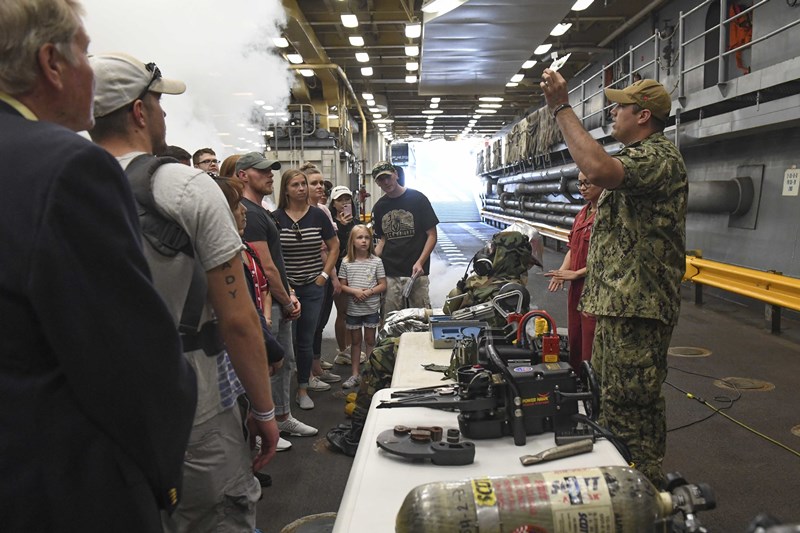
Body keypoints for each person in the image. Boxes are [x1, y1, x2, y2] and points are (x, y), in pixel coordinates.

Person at [0, 1, 196, 529]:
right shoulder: (67, 166)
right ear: (51, 63)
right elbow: (131, 358)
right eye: (85, 53)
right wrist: (163, 479)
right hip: (60, 486)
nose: (92, 69)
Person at [89, 53, 279, 532]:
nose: (164, 114)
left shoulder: (68, 180)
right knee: (216, 514)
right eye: (158, 102)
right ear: (138, 112)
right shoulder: (188, 188)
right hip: (192, 399)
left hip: (97, 400)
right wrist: (263, 409)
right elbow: (237, 319)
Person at [541, 71, 687, 487]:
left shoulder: (658, 156)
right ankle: (621, 488)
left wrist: (561, 108)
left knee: (629, 408)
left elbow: (597, 167)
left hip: (637, 311)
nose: (613, 112)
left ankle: (642, 491)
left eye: (620, 106)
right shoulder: (638, 159)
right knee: (606, 402)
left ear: (643, 116)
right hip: (617, 308)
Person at [234, 153, 318, 439]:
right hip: (271, 304)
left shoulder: (259, 210)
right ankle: (269, 422)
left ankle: (281, 416)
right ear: (243, 175)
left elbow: (275, 266)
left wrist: (289, 292)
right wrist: (286, 300)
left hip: (280, 299)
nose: (269, 175)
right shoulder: (252, 213)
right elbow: (266, 267)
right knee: (273, 366)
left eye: (271, 171)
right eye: (262, 171)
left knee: (285, 364)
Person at [273, 169, 339, 410]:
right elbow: (272, 256)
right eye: (296, 185)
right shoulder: (276, 218)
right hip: (284, 288)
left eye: (304, 184)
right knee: (285, 342)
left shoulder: (318, 216)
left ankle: (302, 388)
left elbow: (334, 247)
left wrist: (323, 276)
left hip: (313, 287)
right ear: (286, 190)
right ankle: (282, 394)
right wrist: (285, 286)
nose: (302, 189)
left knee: (306, 340)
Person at [545, 172, 602, 371]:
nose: (583, 187)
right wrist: (562, 272)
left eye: (588, 182)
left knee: (591, 341)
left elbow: (609, 257)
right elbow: (573, 248)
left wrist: (578, 274)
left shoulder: (606, 216)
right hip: (577, 288)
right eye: (580, 183)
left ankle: (591, 386)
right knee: (576, 337)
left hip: (595, 290)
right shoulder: (582, 213)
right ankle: (577, 381)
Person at [370, 161, 439, 315]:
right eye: (381, 179)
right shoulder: (379, 207)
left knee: (421, 316)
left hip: (416, 272)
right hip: (390, 272)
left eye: (388, 177)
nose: (386, 182)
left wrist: (420, 262)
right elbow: (383, 240)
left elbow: (432, 235)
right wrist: (369, 261)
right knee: (390, 318)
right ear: (377, 183)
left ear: (395, 174)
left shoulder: (418, 199)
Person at [300, 162, 342, 387]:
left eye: (321, 183)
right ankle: (308, 372)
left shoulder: (323, 210)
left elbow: (331, 247)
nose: (321, 187)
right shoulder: (302, 213)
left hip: (323, 275)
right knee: (309, 326)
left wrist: (331, 276)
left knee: (319, 323)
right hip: (310, 276)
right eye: (314, 183)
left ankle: (315, 365)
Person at [338, 225, 387, 389]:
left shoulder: (376, 261)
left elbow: (383, 284)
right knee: (356, 341)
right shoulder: (346, 262)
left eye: (366, 237)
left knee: (370, 340)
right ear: (352, 241)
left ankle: (370, 373)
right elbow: (342, 286)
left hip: (371, 308)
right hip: (354, 309)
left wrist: (369, 292)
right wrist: (356, 292)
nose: (364, 241)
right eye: (359, 238)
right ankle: (355, 374)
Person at [329, 186, 360, 365]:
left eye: (347, 199)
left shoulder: (356, 223)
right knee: (342, 312)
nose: (344, 203)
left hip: (356, 272)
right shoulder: (330, 223)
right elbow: (335, 248)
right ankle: (343, 350)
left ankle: (350, 348)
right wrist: (341, 227)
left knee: (353, 312)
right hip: (339, 273)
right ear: (333, 203)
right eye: (340, 200)